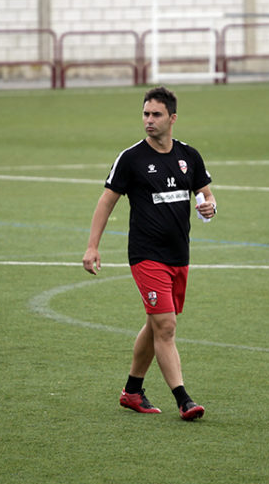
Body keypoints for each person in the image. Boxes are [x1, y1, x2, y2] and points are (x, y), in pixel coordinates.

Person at [83, 86, 216, 420]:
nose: (149, 121)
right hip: (146, 255)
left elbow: (205, 196)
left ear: (172, 118)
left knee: (155, 324)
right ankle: (184, 399)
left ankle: (131, 391)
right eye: (145, 114)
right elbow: (106, 201)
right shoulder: (131, 158)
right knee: (166, 326)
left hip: (178, 255)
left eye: (156, 115)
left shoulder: (189, 156)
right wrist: (92, 246)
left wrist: (209, 207)